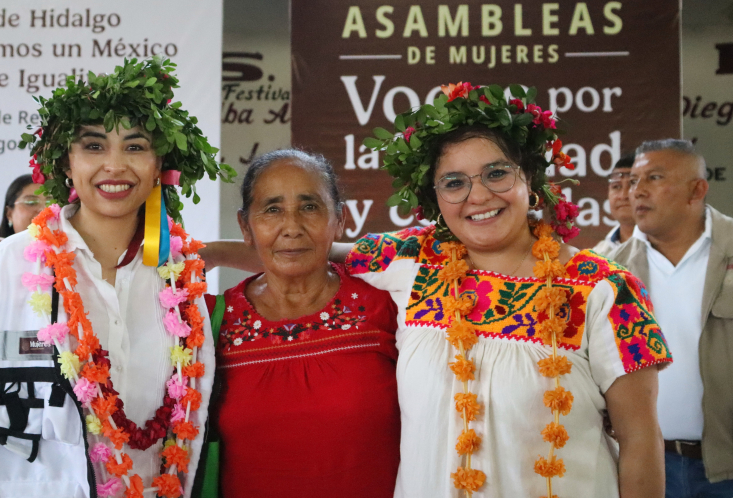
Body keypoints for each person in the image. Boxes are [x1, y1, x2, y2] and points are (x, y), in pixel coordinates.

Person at [205, 83, 672, 497]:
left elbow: (639, 440)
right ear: (435, 198)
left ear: (530, 180)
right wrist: (206, 253)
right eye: (454, 183)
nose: (479, 196)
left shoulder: (605, 289)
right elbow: (303, 249)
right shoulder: (413, 263)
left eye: (497, 173)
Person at [0, 57, 234, 498]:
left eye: (135, 147)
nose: (115, 166)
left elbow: (194, 401)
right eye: (94, 147)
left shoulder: (180, 275)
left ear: (158, 166)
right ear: (66, 164)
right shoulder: (12, 264)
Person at [203, 149, 400, 497]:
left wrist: (218, 252)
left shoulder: (386, 307)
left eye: (310, 207)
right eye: (272, 209)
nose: (291, 227)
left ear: (339, 220)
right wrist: (209, 252)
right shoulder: (209, 323)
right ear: (245, 226)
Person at [611, 139, 733, 497]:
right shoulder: (613, 270)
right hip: (646, 466)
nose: (637, 191)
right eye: (633, 180)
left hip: (725, 470)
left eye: (654, 177)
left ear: (697, 190)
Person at [593, 154, 636, 257]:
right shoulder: (597, 255)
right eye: (616, 187)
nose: (623, 195)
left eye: (632, 185)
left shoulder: (666, 247)